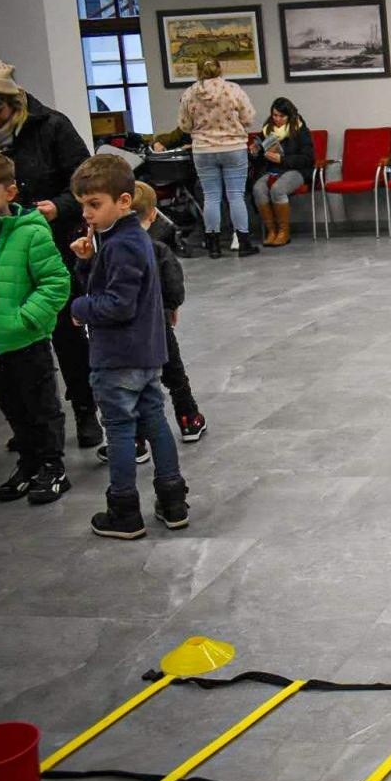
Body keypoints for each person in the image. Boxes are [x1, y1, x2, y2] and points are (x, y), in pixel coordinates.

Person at [0, 59, 100, 449]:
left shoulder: (52, 126)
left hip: (51, 243)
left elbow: (84, 180)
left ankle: (84, 410)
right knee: (14, 350)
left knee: (68, 333)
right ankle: (30, 426)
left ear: (15, 103)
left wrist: (59, 207)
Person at [68, 154, 189, 540]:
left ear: (123, 201)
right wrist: (87, 263)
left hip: (119, 357)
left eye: (94, 204)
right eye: (82, 205)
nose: (86, 213)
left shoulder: (121, 245)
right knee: (154, 421)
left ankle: (124, 510)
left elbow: (118, 304)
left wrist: (79, 308)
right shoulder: (132, 239)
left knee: (120, 429)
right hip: (146, 354)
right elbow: (113, 286)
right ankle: (173, 501)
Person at [0, 152, 73, 506]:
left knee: (41, 405)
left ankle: (53, 466)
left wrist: (26, 319)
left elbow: (56, 282)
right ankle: (29, 462)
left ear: (10, 192)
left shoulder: (32, 232)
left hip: (27, 341)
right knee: (12, 405)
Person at [134, 183, 207, 444]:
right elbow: (173, 283)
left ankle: (136, 439)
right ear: (153, 214)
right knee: (173, 372)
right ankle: (189, 419)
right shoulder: (158, 249)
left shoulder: (109, 247)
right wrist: (172, 307)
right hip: (157, 321)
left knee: (134, 381)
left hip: (126, 328)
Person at [178, 57, 257, 258]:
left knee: (211, 196)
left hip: (203, 149)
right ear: (220, 70)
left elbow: (184, 125)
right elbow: (248, 117)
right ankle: (244, 243)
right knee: (235, 195)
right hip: (233, 147)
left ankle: (213, 245)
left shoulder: (189, 93)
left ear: (198, 71)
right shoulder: (233, 89)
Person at [249, 98, 314, 248]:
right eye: (275, 115)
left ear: (289, 116)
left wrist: (282, 159)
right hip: (272, 170)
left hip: (295, 171)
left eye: (281, 116)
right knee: (258, 189)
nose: (277, 119)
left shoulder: (300, 130)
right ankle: (272, 231)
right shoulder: (267, 130)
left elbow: (308, 158)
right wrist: (254, 152)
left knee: (278, 189)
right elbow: (258, 159)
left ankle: (284, 232)